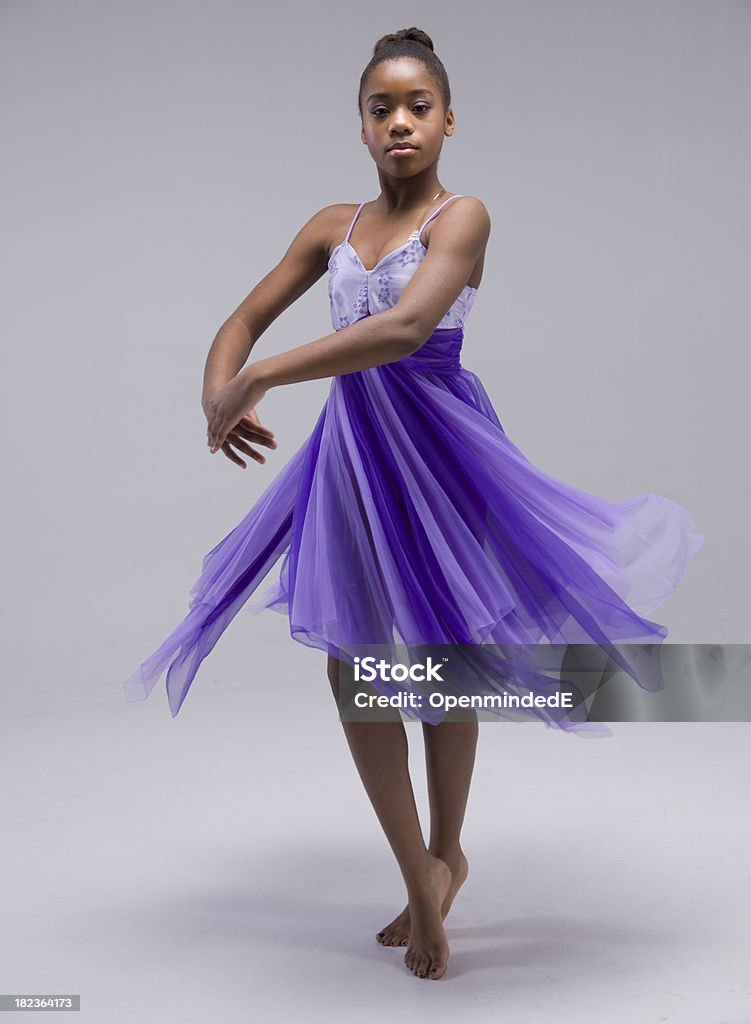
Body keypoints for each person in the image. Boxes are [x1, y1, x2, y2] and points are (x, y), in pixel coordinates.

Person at [123, 27, 705, 980]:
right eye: (380, 107)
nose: (399, 121)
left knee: (442, 657)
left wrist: (262, 374)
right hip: (352, 462)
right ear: (359, 125)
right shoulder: (331, 226)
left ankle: (449, 854)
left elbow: (402, 328)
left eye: (417, 106)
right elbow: (238, 319)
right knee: (355, 669)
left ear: (446, 120)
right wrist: (218, 390)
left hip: (438, 456)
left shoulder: (462, 217)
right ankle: (420, 873)